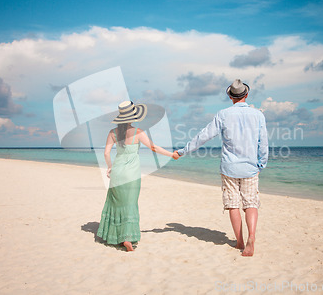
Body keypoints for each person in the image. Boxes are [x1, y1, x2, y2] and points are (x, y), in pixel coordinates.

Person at [173, 79, 268, 256]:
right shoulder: (258, 115)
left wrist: (183, 151)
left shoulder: (223, 115)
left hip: (229, 167)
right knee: (251, 203)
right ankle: (252, 236)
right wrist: (261, 164)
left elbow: (204, 136)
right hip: (250, 168)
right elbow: (263, 143)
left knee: (233, 205)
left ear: (231, 97)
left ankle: (239, 241)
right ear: (246, 95)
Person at [97, 101, 176, 251]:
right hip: (132, 175)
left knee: (116, 204)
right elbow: (154, 147)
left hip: (118, 173)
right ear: (132, 117)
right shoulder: (138, 132)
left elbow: (106, 153)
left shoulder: (112, 133)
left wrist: (109, 167)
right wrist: (171, 154)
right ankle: (127, 238)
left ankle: (117, 237)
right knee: (130, 205)